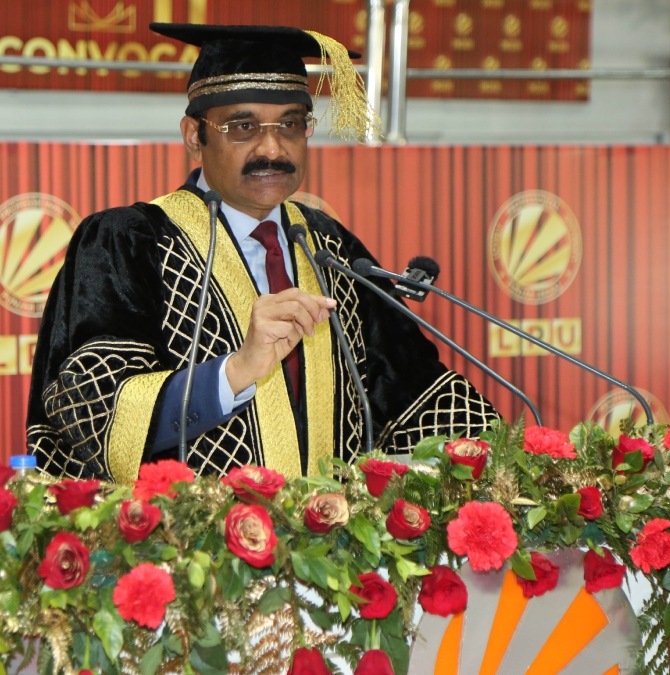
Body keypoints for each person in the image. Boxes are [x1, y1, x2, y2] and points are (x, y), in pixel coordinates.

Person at [25, 23, 497, 482]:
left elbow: (412, 391)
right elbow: (91, 409)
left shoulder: (329, 246)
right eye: (242, 126)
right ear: (193, 136)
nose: (272, 148)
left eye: (290, 124)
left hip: (331, 530)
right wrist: (234, 371)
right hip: (192, 530)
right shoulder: (130, 242)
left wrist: (502, 457)